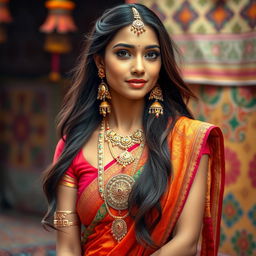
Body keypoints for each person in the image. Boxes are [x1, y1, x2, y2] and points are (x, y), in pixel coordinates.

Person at [42, 3, 225, 256]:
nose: (139, 66)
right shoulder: (72, 145)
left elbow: (187, 242)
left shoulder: (187, 141)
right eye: (124, 53)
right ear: (100, 61)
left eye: (151, 54)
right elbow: (67, 247)